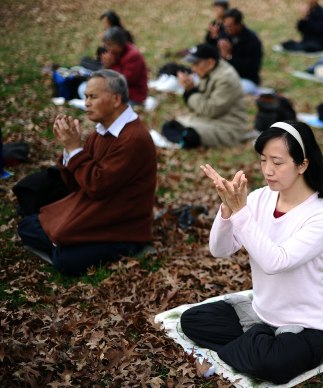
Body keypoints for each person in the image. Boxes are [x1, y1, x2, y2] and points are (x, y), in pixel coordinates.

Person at [180, 121, 323, 385]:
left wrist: (242, 213)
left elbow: (274, 262)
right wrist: (228, 210)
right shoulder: (259, 198)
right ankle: (253, 343)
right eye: (264, 160)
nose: (267, 170)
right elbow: (220, 250)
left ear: (302, 164)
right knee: (193, 320)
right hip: (260, 313)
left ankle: (240, 350)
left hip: (307, 326)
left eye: (277, 162)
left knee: (273, 364)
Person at [17, 70, 157, 276]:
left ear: (116, 99)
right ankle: (62, 242)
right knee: (28, 225)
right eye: (85, 97)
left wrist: (75, 149)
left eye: (93, 97)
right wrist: (69, 149)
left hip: (122, 225)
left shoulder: (134, 138)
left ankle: (70, 245)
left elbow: (97, 186)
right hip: (97, 209)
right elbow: (76, 184)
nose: (87, 103)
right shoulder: (101, 132)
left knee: (66, 261)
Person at [161, 43, 247, 149]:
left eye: (196, 64)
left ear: (210, 62)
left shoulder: (226, 78)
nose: (193, 69)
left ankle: (181, 140)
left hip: (227, 126)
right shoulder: (210, 71)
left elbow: (211, 110)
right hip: (207, 120)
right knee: (169, 126)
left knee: (190, 136)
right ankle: (181, 139)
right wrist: (190, 89)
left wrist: (190, 91)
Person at [218, 8, 263, 94]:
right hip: (223, 76)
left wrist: (229, 57)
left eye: (230, 26)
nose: (227, 29)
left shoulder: (251, 40)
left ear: (239, 24)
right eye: (225, 26)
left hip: (245, 79)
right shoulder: (224, 35)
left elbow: (252, 67)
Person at [100, 26, 148, 104]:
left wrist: (111, 66)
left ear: (118, 44)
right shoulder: (115, 53)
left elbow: (125, 81)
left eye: (109, 45)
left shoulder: (133, 56)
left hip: (134, 95)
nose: (108, 49)